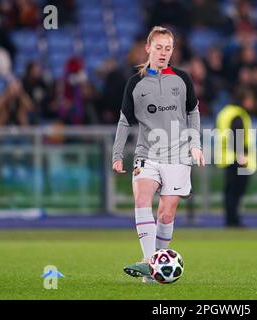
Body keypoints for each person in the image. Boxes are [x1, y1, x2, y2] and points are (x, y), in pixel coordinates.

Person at [112, 26, 205, 283]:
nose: (163, 52)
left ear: (173, 50)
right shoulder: (135, 83)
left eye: (168, 48)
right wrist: (117, 153)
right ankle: (149, 263)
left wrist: (195, 144)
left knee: (165, 214)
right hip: (147, 154)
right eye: (159, 47)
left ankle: (154, 267)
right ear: (148, 48)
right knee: (142, 199)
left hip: (177, 155)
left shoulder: (183, 79)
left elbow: (193, 113)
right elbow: (124, 121)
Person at [215, 86, 257, 227]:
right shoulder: (238, 114)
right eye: (250, 99)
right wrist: (242, 156)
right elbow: (237, 135)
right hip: (237, 159)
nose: (252, 102)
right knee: (236, 192)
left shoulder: (225, 112)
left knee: (230, 192)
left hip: (227, 157)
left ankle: (230, 219)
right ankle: (233, 221)